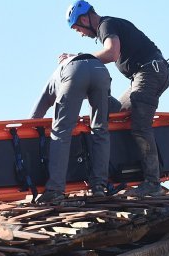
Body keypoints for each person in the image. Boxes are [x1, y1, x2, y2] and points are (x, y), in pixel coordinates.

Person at [63, 0, 169, 197]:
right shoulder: (107, 26)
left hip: (149, 71)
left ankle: (153, 183)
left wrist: (80, 58)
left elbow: (112, 53)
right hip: (143, 75)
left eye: (78, 28)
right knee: (117, 114)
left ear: (85, 19)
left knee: (140, 126)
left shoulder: (106, 25)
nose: (80, 33)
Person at [29, 53, 112, 204]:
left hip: (74, 71)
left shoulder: (56, 76)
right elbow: (111, 104)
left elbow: (37, 112)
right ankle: (99, 185)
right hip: (101, 70)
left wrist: (29, 132)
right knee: (100, 130)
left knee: (61, 131)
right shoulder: (90, 65)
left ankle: (55, 189)